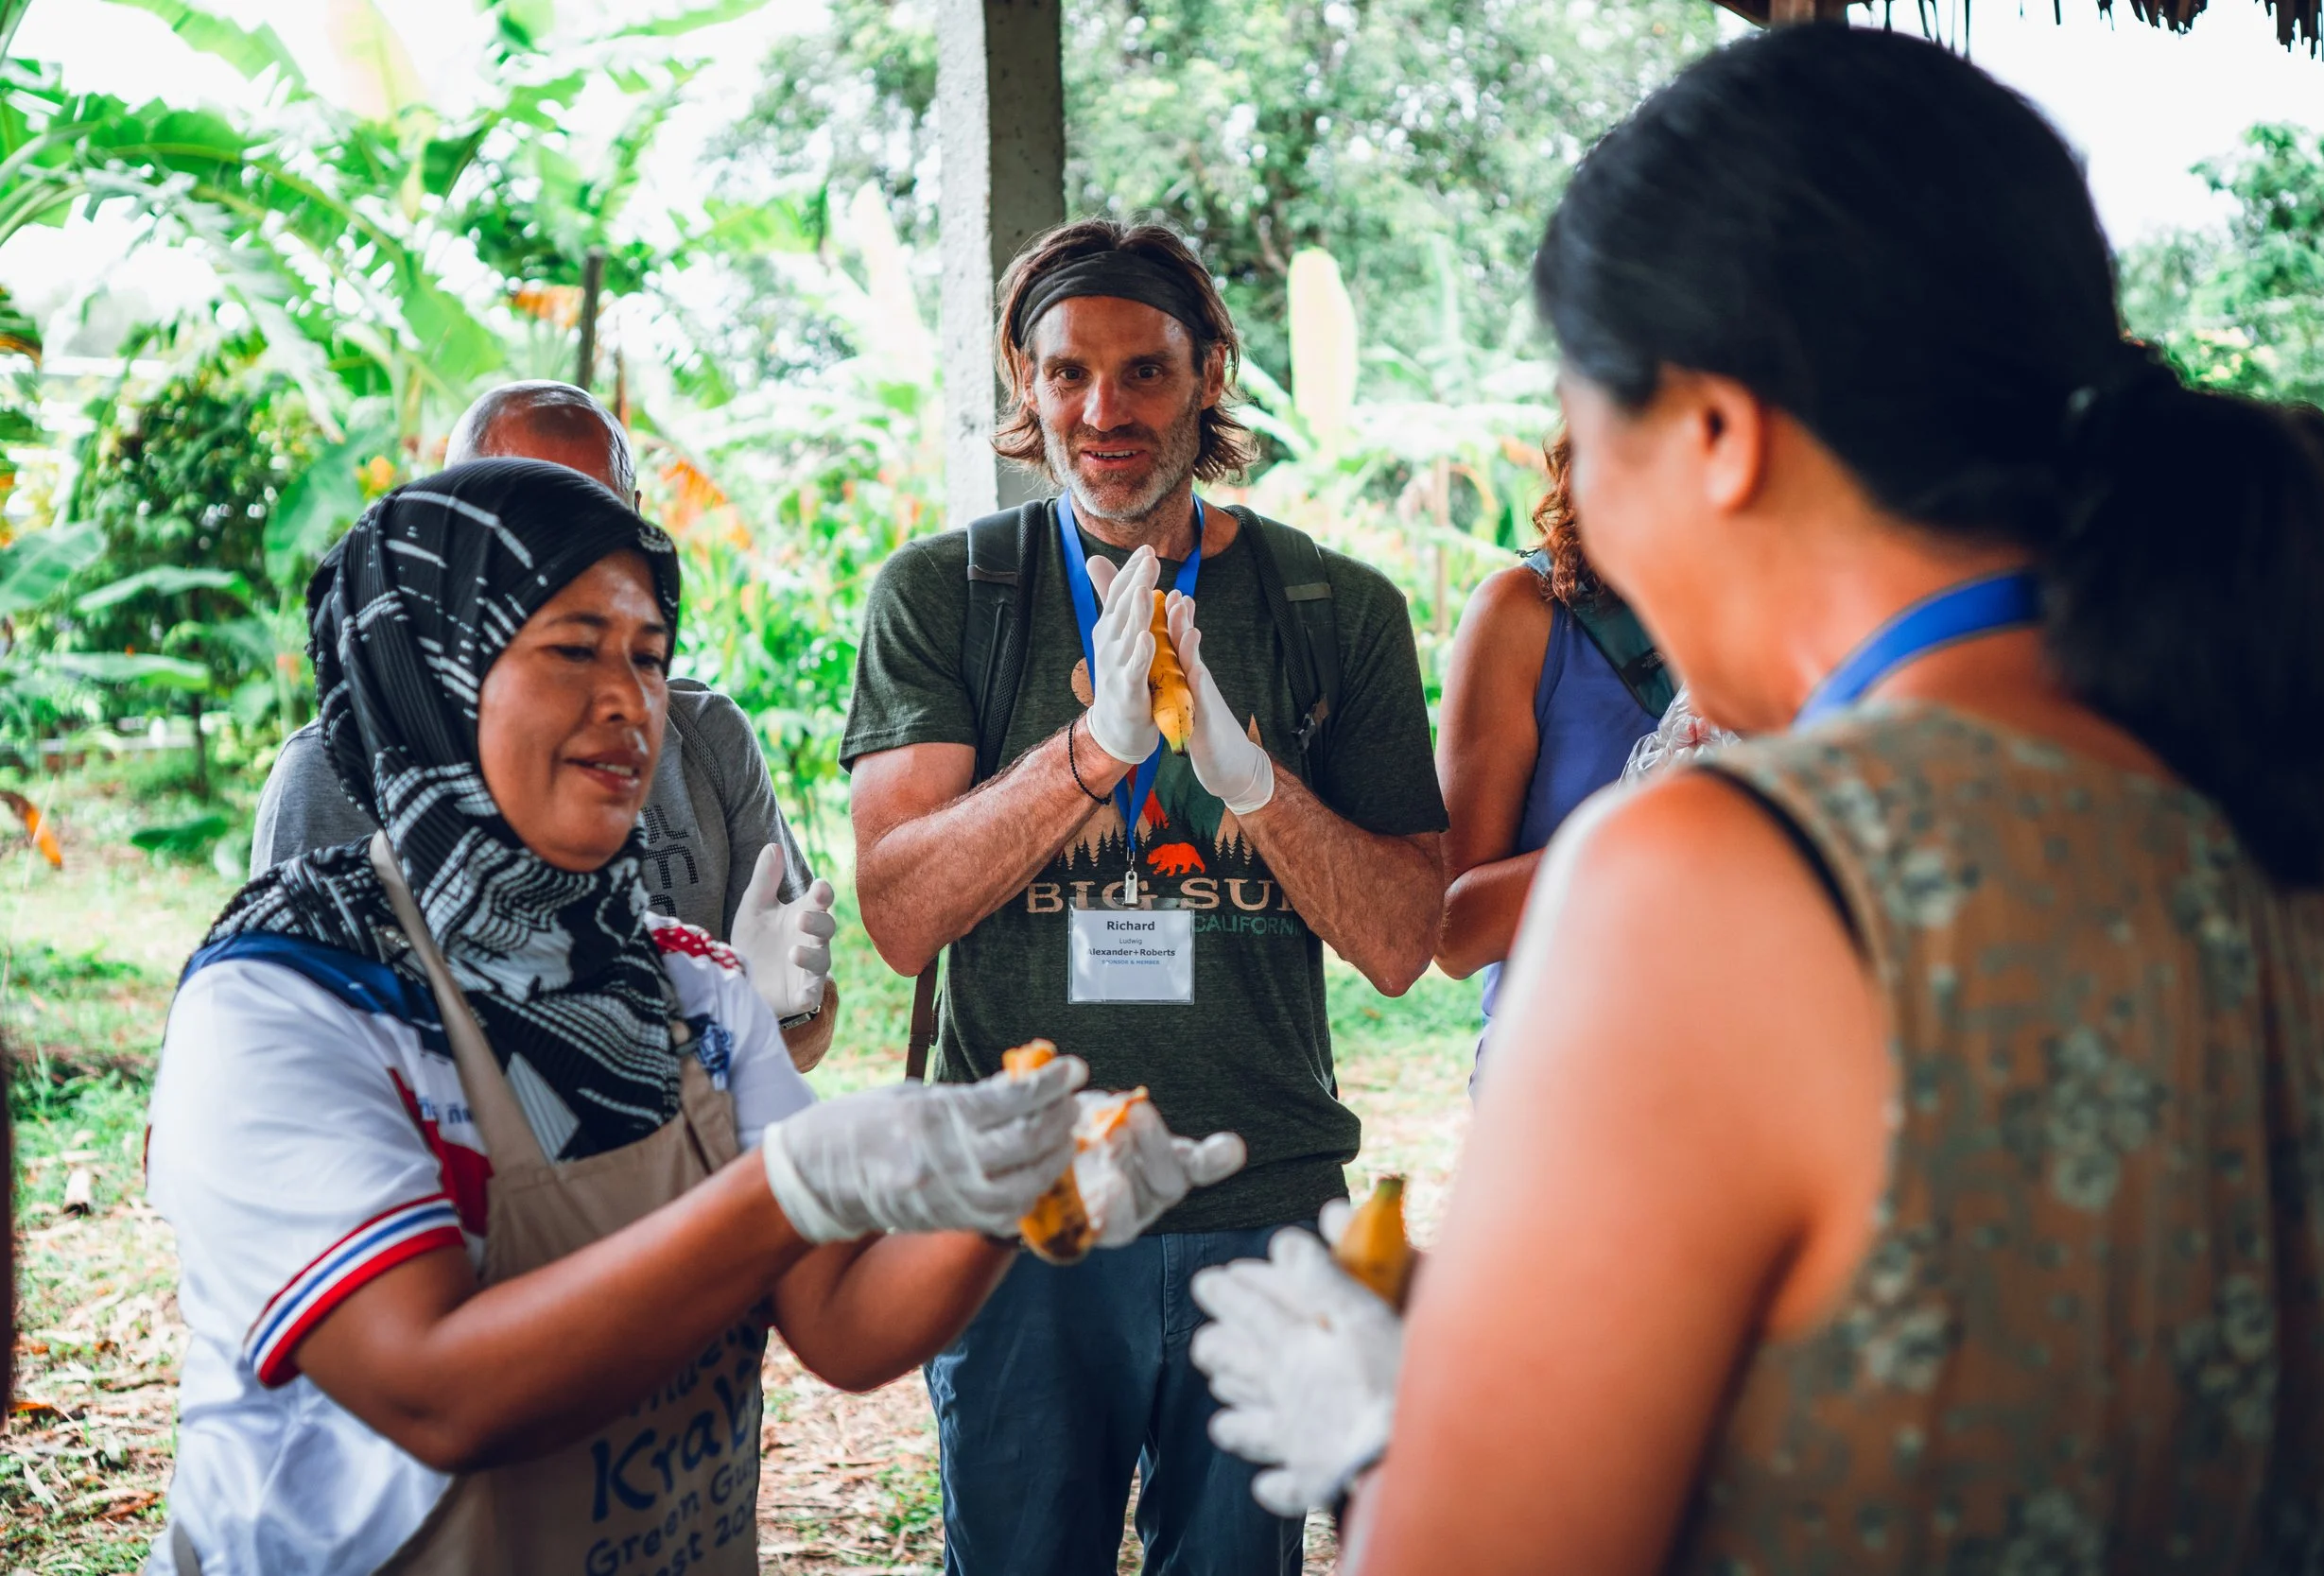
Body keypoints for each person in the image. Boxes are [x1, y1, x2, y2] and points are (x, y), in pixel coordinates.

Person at [1189, 27, 2324, 1575]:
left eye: (1589, 433)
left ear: (1718, 433)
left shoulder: (1727, 869)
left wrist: (1399, 1445)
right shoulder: (2292, 796)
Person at [146, 458, 1241, 1575]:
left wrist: (1019, 1192)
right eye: (574, 648)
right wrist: (787, 1186)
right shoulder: (289, 995)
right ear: (434, 668)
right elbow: (437, 1393)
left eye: (650, 657)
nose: (631, 702)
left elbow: (841, 1323)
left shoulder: (682, 985)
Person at [841, 217, 1448, 1575]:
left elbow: (1404, 939)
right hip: (1022, 1202)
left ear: (1211, 371)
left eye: (1146, 373)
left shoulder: (1330, 604)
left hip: (1259, 1190)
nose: (1103, 412)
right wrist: (1088, 753)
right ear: (1024, 375)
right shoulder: (951, 593)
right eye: (1067, 373)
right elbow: (897, 909)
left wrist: (1253, 781)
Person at [250, 381, 842, 1068]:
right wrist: (708, 1021)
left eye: (589, 521)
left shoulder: (702, 739)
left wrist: (776, 1008)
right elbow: (300, 1068)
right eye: (519, 520)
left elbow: (804, 1030)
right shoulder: (334, 773)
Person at [1434, 429, 1670, 1069]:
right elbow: (1453, 930)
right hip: (1565, 1077)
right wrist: (1659, 826)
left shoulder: (1807, 629)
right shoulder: (1526, 616)